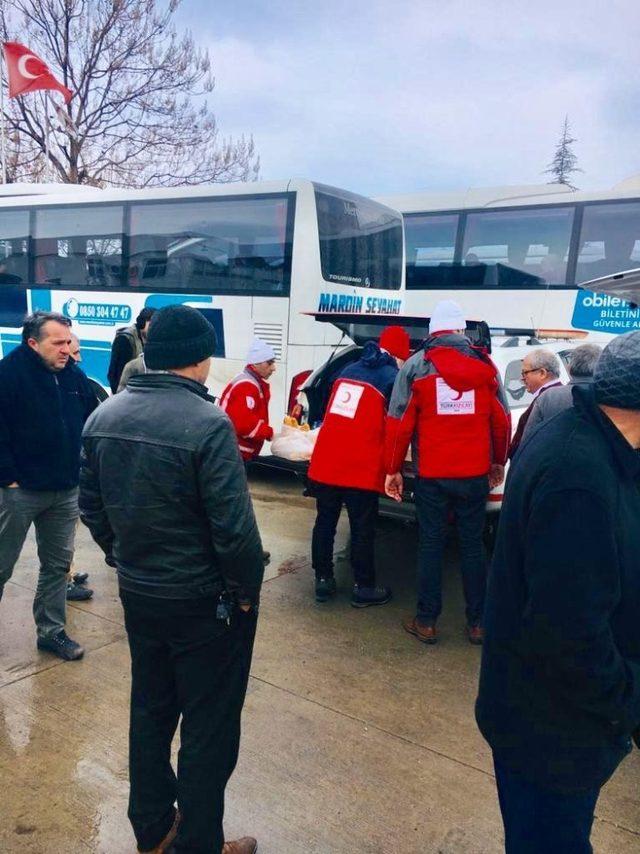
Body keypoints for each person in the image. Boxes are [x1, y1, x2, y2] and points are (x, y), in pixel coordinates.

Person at [80, 305, 263, 854]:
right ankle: (199, 843)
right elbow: (235, 533)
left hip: (141, 593)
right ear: (202, 360)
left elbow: (92, 508)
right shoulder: (208, 424)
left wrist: (125, 559)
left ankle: (153, 829)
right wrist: (245, 592)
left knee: (151, 710)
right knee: (209, 728)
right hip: (205, 602)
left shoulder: (104, 416)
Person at [476, 331, 640, 854]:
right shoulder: (578, 475)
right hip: (552, 731)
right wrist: (626, 706)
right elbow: (570, 635)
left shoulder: (593, 437)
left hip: (559, 721)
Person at [384, 300, 510, 645]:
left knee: (430, 543)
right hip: (473, 475)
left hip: (432, 476)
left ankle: (426, 621)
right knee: (472, 545)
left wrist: (392, 469)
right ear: (460, 331)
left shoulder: (416, 366)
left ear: (432, 332)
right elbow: (500, 420)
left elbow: (398, 423)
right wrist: (497, 461)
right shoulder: (486, 367)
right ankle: (478, 622)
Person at [0, 311, 98, 661]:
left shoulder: (73, 375)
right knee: (2, 565)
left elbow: (89, 420)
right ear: (32, 343)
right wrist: (8, 478)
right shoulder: (8, 374)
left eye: (68, 342)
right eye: (57, 343)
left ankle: (51, 632)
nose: (66, 349)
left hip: (65, 489)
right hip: (19, 491)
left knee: (57, 566)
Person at [307, 325, 411, 606]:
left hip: (327, 461)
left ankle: (323, 581)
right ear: (400, 354)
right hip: (359, 466)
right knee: (362, 527)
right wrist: (396, 463)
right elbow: (395, 426)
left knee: (325, 522)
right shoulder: (393, 378)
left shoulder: (348, 370)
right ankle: (363, 587)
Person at [521, 343, 602, 441]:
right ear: (602, 368)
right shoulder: (610, 398)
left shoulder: (549, 397)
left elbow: (528, 440)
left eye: (525, 373)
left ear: (569, 368)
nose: (522, 378)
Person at [219, 338, 276, 462]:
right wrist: (270, 433)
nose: (273, 368)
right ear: (256, 364)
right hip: (235, 454)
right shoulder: (246, 386)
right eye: (269, 363)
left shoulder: (250, 383)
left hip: (235, 452)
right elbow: (244, 425)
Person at [507, 348, 562, 459]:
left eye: (525, 373)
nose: (522, 379)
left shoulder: (546, 399)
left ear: (542, 373)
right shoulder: (559, 394)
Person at [107, 306, 156, 394]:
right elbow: (114, 374)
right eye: (152, 324)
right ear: (142, 323)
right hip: (124, 394)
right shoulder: (124, 340)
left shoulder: (150, 340)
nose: (154, 329)